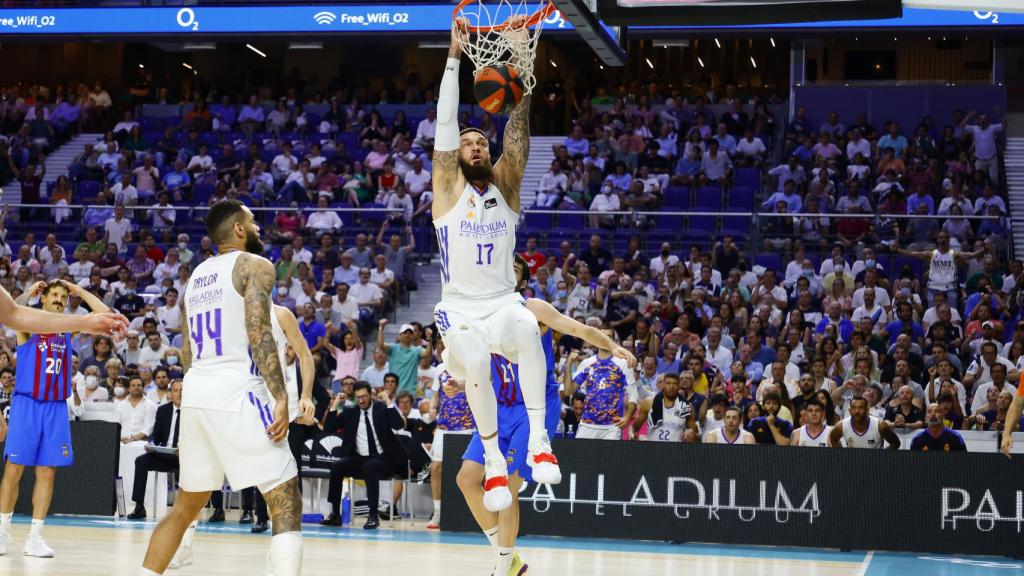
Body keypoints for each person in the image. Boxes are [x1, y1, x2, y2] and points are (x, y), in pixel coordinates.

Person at [431, 18, 558, 514]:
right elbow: (445, 125)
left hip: (502, 300)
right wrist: (453, 58)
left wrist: (521, 69)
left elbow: (518, 132)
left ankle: (539, 440)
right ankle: (491, 460)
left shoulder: (504, 187)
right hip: (459, 309)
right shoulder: (446, 188)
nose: (476, 144)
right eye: (468, 142)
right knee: (478, 361)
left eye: (481, 139)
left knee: (528, 330)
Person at [136, 200, 303, 576]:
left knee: (185, 507)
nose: (259, 227)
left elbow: (187, 351)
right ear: (239, 230)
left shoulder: (195, 277)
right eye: (253, 221)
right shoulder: (254, 265)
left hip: (196, 391)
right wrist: (280, 395)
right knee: (285, 496)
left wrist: (197, 396)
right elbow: (259, 332)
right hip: (236, 386)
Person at [457, 253, 635, 575]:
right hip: (498, 406)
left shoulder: (533, 309)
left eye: (513, 270)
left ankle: (502, 568)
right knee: (467, 479)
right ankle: (508, 558)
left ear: (523, 282)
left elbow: (577, 328)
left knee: (508, 488)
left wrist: (612, 345)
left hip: (533, 408)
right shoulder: (481, 312)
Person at [0, 279, 122, 558]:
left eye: (62, 296)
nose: (58, 299)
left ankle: (35, 536)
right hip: (27, 404)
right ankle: (3, 532)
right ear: (43, 300)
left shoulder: (68, 329)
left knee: (47, 472)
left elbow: (105, 314)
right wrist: (27, 293)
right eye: (53, 295)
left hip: (55, 407)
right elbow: (8, 313)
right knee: (14, 468)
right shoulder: (28, 326)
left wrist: (78, 290)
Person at [319, 382, 407, 529]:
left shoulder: (381, 408)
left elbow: (398, 425)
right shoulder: (350, 412)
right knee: (336, 467)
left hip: (384, 459)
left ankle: (373, 515)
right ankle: (335, 514)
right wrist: (335, 404)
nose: (361, 400)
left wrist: (388, 400)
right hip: (359, 458)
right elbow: (328, 427)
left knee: (370, 466)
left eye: (364, 396)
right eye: (358, 397)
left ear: (370, 394)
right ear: (354, 397)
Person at [427, 363, 474, 530]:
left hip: (468, 425)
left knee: (471, 470)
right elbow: (435, 395)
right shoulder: (439, 369)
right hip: (443, 426)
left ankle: (472, 513)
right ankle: (438, 512)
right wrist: (432, 408)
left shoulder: (471, 362)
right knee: (436, 467)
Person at [631, 372, 699, 442]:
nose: (671, 387)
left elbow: (697, 436)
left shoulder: (686, 407)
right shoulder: (649, 403)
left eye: (675, 384)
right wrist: (632, 434)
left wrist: (692, 433)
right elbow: (634, 428)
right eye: (668, 383)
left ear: (679, 386)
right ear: (663, 385)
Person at [828, 395, 901, 449]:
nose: (857, 411)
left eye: (861, 408)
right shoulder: (841, 426)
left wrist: (882, 457)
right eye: (854, 408)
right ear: (849, 411)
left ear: (867, 411)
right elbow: (833, 439)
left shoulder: (880, 426)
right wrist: (842, 454)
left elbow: (896, 443)